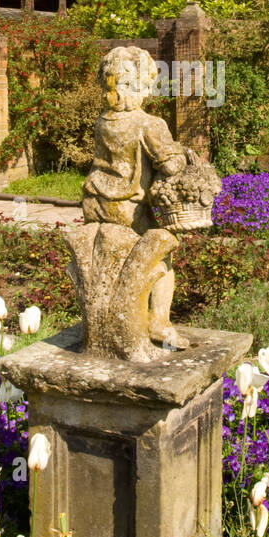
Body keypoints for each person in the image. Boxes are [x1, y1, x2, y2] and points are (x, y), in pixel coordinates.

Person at [82, 45, 189, 349]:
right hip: (127, 209)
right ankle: (158, 319)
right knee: (164, 252)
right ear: (140, 85)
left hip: (94, 202)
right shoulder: (149, 124)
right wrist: (181, 154)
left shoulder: (103, 121)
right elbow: (170, 164)